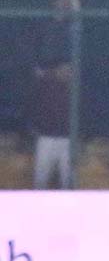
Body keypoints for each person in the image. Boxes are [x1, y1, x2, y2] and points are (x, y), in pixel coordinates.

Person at [28, 60, 72, 189]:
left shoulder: (74, 89)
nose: (67, 73)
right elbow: (33, 107)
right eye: (64, 69)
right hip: (46, 137)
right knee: (41, 177)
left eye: (70, 70)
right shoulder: (46, 86)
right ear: (57, 70)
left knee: (67, 179)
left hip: (67, 139)